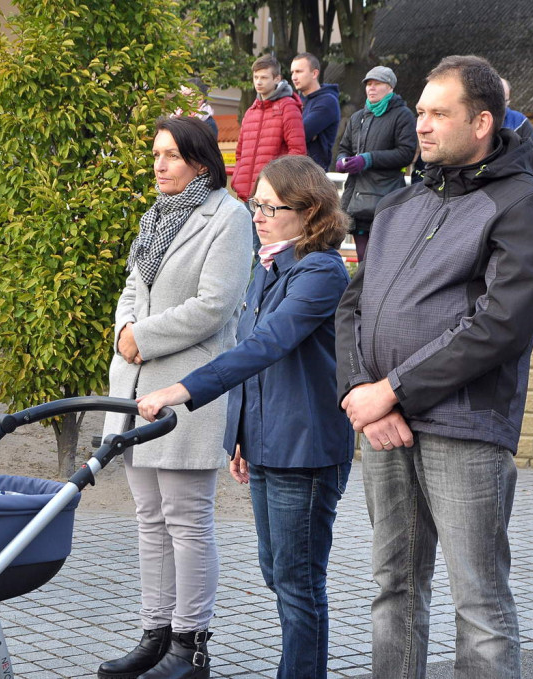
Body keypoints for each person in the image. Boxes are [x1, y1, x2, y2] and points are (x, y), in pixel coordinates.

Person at [335, 55, 533, 678]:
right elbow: (355, 303)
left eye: (439, 114)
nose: (424, 127)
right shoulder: (400, 204)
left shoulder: (524, 207)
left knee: (480, 604)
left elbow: (498, 326)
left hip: (464, 430)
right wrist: (360, 390)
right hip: (385, 425)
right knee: (393, 589)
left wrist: (394, 391)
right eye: (422, 113)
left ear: (483, 122)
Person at [136, 155, 353, 679]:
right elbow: (253, 360)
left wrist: (185, 389)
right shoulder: (273, 264)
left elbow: (265, 346)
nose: (256, 215)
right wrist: (240, 437)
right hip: (270, 441)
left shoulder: (321, 270)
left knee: (298, 583)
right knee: (278, 573)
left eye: (270, 207)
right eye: (256, 204)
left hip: (305, 448)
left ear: (308, 211)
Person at [97, 116, 252, 679]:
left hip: (188, 387)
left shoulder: (229, 217)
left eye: (169, 155)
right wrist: (123, 333)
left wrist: (143, 337)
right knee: (148, 517)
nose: (158, 165)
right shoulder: (155, 214)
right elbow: (133, 287)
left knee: (186, 519)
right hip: (135, 385)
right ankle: (155, 634)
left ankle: (191, 646)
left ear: (201, 163)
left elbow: (215, 305)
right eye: (155, 154)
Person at [335, 65, 417, 262]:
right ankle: (363, 292)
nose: (371, 88)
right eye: (368, 84)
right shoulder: (357, 118)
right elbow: (344, 147)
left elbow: (406, 154)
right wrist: (341, 161)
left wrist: (369, 159)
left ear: (390, 87)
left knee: (381, 257)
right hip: (356, 196)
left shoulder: (403, 115)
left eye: (377, 84)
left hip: (385, 196)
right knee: (362, 256)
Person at [231, 55, 306, 206]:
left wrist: (281, 184)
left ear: (277, 79)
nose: (258, 82)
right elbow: (240, 153)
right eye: (255, 77)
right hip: (246, 195)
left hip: (272, 194)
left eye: (264, 77)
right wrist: (237, 179)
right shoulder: (251, 111)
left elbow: (298, 152)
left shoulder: (288, 107)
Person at [290, 53, 340, 172]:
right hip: (291, 169)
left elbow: (299, 134)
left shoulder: (327, 101)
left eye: (299, 71)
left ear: (314, 73)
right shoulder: (293, 101)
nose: (294, 77)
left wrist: (293, 129)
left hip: (312, 174)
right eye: (292, 72)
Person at [501, 77, 533, 188]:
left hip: (512, 183)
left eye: (504, 101)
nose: (499, 105)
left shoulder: (519, 120)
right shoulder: (474, 119)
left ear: (509, 100)